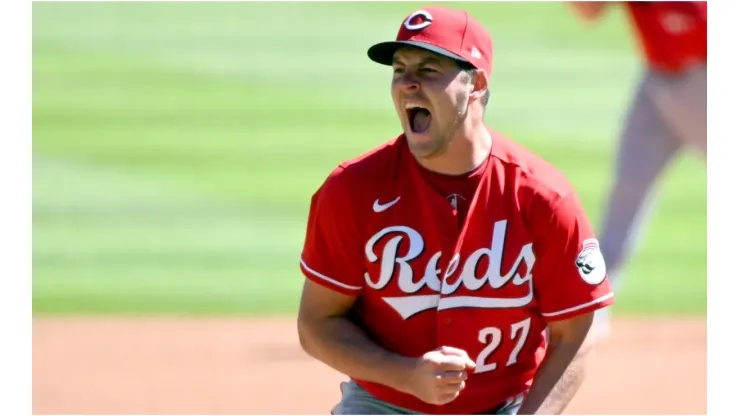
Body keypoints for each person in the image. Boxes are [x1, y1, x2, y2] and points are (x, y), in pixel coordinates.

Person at [296, 6, 614, 415]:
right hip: (382, 403)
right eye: (399, 69)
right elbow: (316, 325)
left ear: (476, 83)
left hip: (505, 406)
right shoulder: (352, 191)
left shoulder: (543, 198)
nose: (408, 84)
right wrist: (405, 374)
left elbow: (575, 331)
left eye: (428, 70)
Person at [567, 1, 706, 339]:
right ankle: (593, 307)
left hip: (708, 83)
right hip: (656, 83)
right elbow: (586, 11)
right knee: (625, 196)